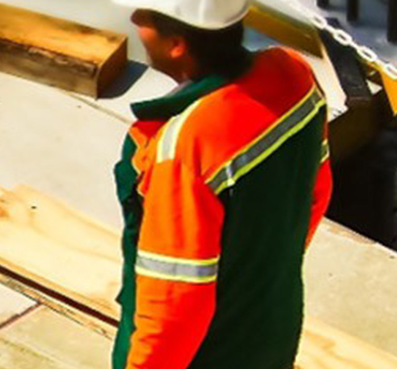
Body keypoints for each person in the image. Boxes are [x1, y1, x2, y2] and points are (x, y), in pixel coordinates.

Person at [109, 0, 332, 368]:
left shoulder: (185, 146)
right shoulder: (295, 75)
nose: (134, 20)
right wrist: (262, 270)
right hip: (273, 326)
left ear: (177, 43)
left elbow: (175, 302)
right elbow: (314, 195)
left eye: (145, 17)